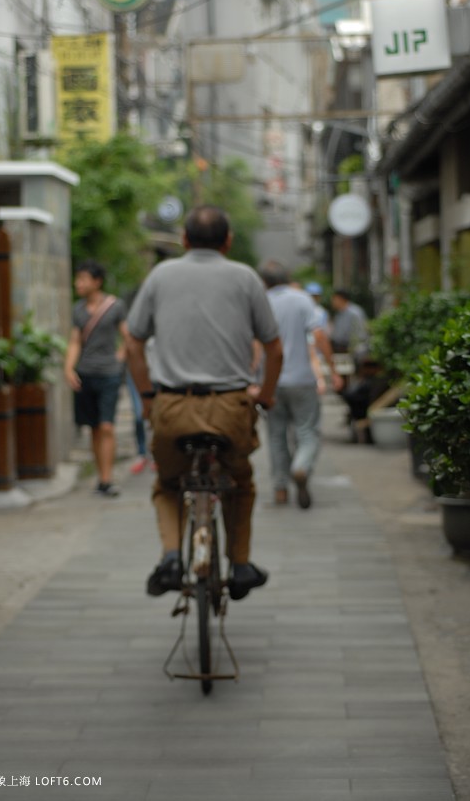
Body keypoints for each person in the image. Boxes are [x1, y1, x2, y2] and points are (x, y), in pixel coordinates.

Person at [126, 205, 283, 600]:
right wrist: (264, 396)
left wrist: (147, 396)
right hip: (230, 409)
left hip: (172, 408)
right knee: (240, 482)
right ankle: (242, 563)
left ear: (183, 240)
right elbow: (274, 347)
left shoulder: (161, 275)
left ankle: (170, 558)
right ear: (228, 241)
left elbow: (132, 342)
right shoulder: (245, 278)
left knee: (167, 482)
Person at [259, 261, 343, 509]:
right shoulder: (303, 299)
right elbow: (318, 335)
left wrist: (253, 379)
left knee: (276, 435)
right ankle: (301, 466)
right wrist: (332, 369)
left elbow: (253, 343)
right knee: (307, 432)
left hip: (271, 381)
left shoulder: (261, 301)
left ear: (264, 281)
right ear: (287, 277)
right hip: (302, 379)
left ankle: (280, 488)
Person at [64, 260, 128, 497]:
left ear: (97, 281)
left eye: (83, 279)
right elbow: (75, 341)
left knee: (107, 426)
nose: (78, 283)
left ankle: (107, 478)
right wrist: (69, 368)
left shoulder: (115, 306)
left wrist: (119, 359)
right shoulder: (78, 310)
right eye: (77, 279)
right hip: (86, 374)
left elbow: (126, 336)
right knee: (94, 429)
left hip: (108, 374)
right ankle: (101, 478)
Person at [330, 288, 369, 361]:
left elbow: (361, 334)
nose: (332, 302)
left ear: (340, 299)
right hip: (342, 349)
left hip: (354, 351)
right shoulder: (339, 314)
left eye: (334, 299)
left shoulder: (355, 313)